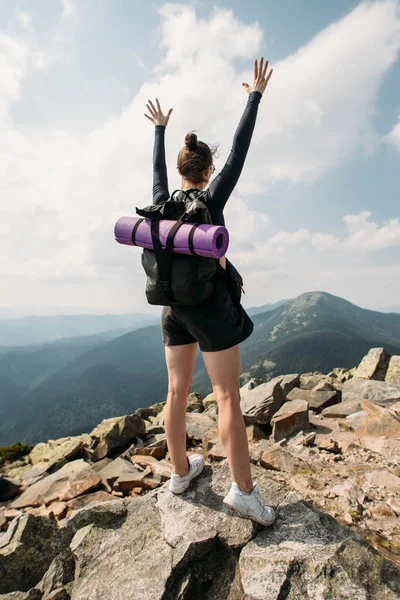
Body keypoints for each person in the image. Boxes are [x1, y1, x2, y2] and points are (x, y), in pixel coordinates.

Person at [144, 57, 275, 526]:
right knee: (226, 399)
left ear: (181, 170)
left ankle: (179, 473)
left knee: (176, 391)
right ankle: (243, 493)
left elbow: (156, 171)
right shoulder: (211, 199)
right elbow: (240, 151)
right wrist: (254, 97)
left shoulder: (160, 203)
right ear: (207, 169)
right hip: (210, 310)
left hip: (171, 308)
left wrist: (159, 129)